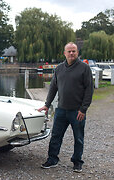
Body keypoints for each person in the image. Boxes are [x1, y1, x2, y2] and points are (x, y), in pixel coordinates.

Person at [38, 42, 93, 173]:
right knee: (56, 136)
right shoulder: (59, 68)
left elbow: (89, 90)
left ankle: (77, 161)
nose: (71, 53)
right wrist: (47, 104)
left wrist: (83, 109)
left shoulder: (84, 68)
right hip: (61, 110)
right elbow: (53, 88)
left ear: (77, 52)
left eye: (74, 51)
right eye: (69, 51)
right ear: (64, 53)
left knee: (78, 138)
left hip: (77, 111)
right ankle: (52, 159)